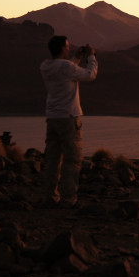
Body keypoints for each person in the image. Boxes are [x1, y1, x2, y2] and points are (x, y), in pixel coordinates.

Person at [40, 35, 98, 208]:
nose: (68, 48)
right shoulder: (65, 67)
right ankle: (68, 199)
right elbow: (90, 74)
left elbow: (66, 70)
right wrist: (91, 57)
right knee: (72, 160)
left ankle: (50, 196)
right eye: (67, 46)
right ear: (63, 49)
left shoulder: (45, 66)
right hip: (69, 118)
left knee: (52, 160)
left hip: (53, 118)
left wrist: (77, 58)